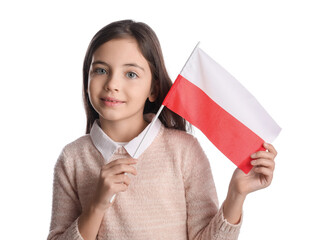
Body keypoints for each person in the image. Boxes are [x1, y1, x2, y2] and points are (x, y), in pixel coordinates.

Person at [47, 19, 277, 240]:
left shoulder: (183, 151)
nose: (112, 84)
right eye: (100, 70)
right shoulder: (72, 159)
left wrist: (236, 195)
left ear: (154, 89)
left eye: (131, 74)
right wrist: (96, 206)